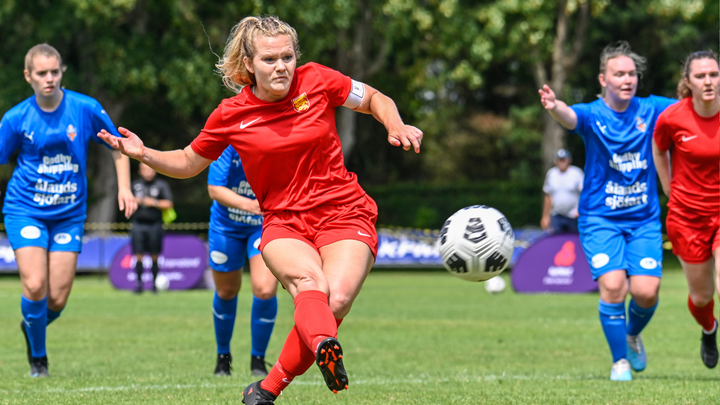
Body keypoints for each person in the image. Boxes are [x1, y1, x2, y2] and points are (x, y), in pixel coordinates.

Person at [97, 15, 422, 404]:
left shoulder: (317, 79)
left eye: (288, 56)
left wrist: (395, 123)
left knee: (334, 301)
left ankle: (266, 389)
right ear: (249, 65)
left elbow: (372, 98)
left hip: (343, 211)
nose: (282, 66)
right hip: (283, 222)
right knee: (309, 285)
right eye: (270, 59)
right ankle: (323, 348)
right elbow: (188, 162)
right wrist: (144, 154)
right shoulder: (231, 113)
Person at [538, 41, 676, 381]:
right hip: (600, 218)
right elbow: (570, 117)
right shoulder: (592, 114)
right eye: (619, 74)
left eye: (632, 74)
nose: (627, 79)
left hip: (643, 218)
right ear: (604, 79)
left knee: (645, 292)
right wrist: (555, 106)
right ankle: (620, 362)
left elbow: (689, 111)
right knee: (614, 287)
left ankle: (631, 334)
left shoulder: (652, 109)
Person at [0, 43, 136, 377]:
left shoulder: (85, 108)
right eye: (41, 73)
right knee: (34, 286)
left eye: (54, 71)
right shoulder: (16, 118)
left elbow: (118, 147)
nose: (49, 78)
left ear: (62, 72)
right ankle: (39, 358)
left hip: (69, 214)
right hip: (25, 210)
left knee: (56, 300)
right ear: (28, 76)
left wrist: (124, 187)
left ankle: (31, 325)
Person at [652, 50, 719, 369]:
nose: (709, 81)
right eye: (701, 76)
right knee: (703, 297)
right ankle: (709, 328)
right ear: (688, 82)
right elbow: (659, 147)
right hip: (688, 217)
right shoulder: (672, 117)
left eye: (714, 74)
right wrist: (668, 187)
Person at [207, 145, 278, 377]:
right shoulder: (229, 145)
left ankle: (258, 359)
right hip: (225, 227)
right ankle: (223, 357)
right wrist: (251, 205)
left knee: (265, 289)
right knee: (226, 291)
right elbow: (215, 189)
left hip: (263, 225)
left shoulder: (277, 142)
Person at [129, 162, 173, 294]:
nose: (148, 172)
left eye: (150, 169)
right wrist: (133, 201)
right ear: (140, 171)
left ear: (155, 170)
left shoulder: (161, 185)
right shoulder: (134, 185)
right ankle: (138, 285)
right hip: (138, 224)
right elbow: (125, 202)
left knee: (155, 255)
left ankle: (154, 285)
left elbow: (169, 203)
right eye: (144, 169)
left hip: (155, 224)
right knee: (138, 255)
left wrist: (153, 202)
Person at [541, 148, 584, 234]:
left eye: (564, 160)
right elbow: (548, 196)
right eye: (560, 160)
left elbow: (584, 193)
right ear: (555, 161)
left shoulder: (576, 173)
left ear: (569, 160)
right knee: (556, 242)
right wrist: (545, 216)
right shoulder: (551, 174)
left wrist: (581, 209)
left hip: (573, 215)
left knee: (573, 242)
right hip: (557, 215)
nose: (562, 162)